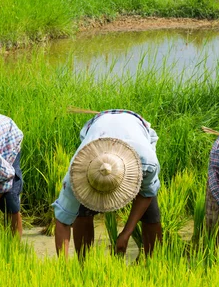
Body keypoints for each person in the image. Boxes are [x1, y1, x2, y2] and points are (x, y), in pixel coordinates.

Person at [52, 109, 163, 260]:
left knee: (151, 213)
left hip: (136, 128)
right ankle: (83, 265)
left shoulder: (146, 162)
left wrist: (125, 234)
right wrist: (63, 268)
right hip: (97, 129)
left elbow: (147, 193)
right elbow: (62, 221)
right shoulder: (76, 173)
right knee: (82, 210)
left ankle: (153, 262)